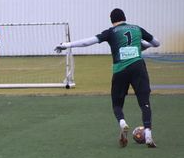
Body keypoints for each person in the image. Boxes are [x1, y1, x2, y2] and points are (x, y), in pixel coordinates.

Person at [55, 8, 160, 148]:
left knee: (117, 104)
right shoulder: (137, 29)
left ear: (112, 20)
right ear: (124, 18)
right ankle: (148, 134)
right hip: (138, 67)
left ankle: (122, 122)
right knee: (144, 102)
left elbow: (87, 42)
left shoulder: (111, 32)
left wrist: (67, 45)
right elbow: (156, 43)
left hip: (120, 70)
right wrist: (142, 46)